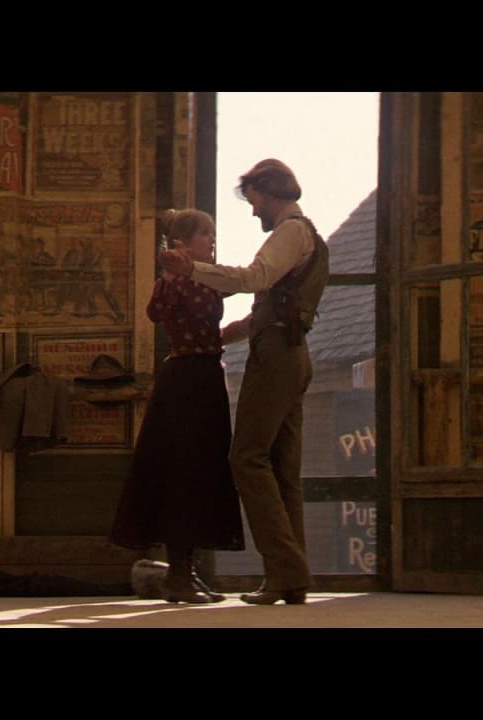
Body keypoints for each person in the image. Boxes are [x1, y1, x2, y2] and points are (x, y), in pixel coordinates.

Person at [159, 159, 329, 605]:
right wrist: (211, 338)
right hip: (290, 352)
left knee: (247, 459)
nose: (254, 212)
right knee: (283, 469)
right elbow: (261, 315)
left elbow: (253, 279)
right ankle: (291, 577)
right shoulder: (303, 236)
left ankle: (285, 570)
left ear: (272, 193)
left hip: (277, 357)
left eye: (255, 201)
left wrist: (191, 269)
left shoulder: (290, 233)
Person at [109, 208, 244, 604]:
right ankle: (179, 575)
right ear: (184, 242)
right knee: (183, 472)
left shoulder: (207, 278)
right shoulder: (175, 282)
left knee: (202, 471)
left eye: (213, 234)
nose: (212, 241)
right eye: (205, 235)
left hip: (204, 376)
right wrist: (172, 272)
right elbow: (156, 311)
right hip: (186, 380)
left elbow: (238, 288)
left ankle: (187, 571)